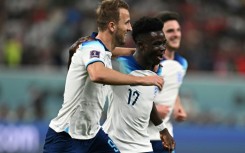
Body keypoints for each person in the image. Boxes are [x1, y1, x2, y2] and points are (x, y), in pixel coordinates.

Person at [43, 0, 164, 153]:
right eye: (126, 23)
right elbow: (97, 74)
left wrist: (147, 51)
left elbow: (116, 52)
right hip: (66, 138)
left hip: (93, 135)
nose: (130, 28)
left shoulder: (102, 50)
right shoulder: (91, 47)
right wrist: (143, 80)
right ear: (112, 26)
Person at [103, 16, 175, 153]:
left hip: (142, 145)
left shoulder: (156, 69)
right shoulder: (119, 64)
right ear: (141, 45)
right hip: (115, 144)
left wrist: (163, 129)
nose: (162, 48)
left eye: (163, 43)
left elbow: (147, 101)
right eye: (156, 44)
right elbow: (94, 61)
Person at [147, 11, 188, 153]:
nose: (176, 34)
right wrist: (152, 111)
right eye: (170, 31)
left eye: (178, 30)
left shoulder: (182, 63)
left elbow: (173, 88)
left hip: (165, 136)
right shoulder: (149, 63)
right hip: (140, 137)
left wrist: (178, 106)